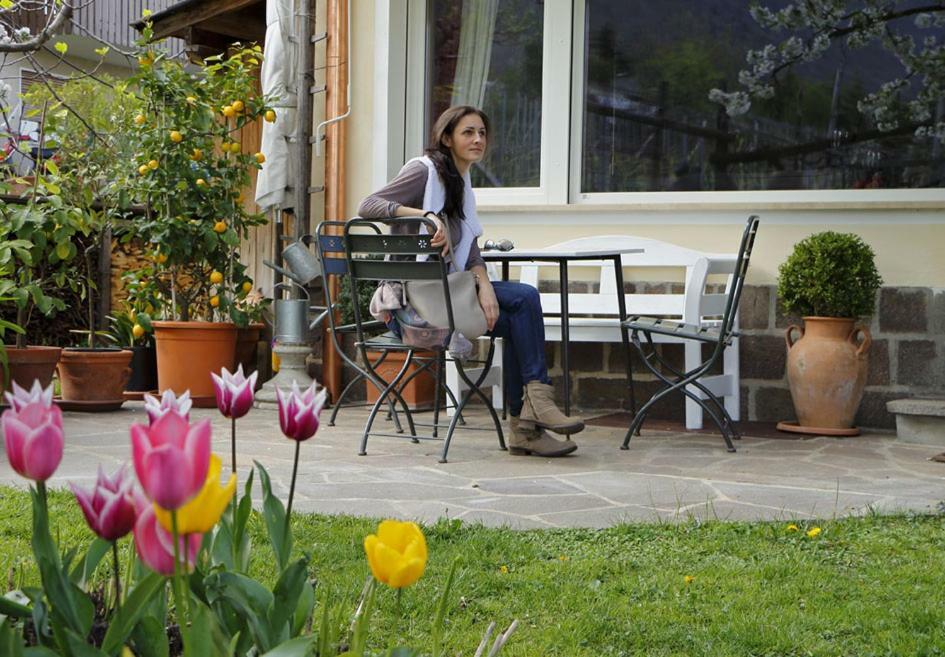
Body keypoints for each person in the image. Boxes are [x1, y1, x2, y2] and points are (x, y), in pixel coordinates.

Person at [357, 105, 582, 457]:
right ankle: (533, 410)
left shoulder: (460, 182)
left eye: (482, 133)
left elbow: (470, 248)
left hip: (448, 297)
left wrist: (486, 286)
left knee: (518, 319)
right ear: (447, 138)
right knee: (525, 297)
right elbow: (368, 205)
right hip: (415, 308)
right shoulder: (424, 172)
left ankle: (527, 424)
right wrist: (426, 216)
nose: (478, 139)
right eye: (468, 132)